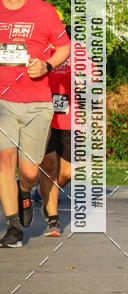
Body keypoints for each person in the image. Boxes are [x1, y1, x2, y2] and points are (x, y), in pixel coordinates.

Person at [0, 0, 70, 247]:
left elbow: (64, 47)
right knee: (5, 159)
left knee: (29, 171)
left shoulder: (44, 11)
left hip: (37, 102)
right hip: (3, 99)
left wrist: (47, 66)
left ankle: (24, 190)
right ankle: (14, 227)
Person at [38, 50, 72, 238]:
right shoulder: (37, 48)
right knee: (48, 165)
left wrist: (90, 80)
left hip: (71, 119)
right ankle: (53, 219)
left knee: (68, 172)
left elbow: (94, 74)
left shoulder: (75, 49)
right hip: (44, 116)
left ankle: (45, 191)